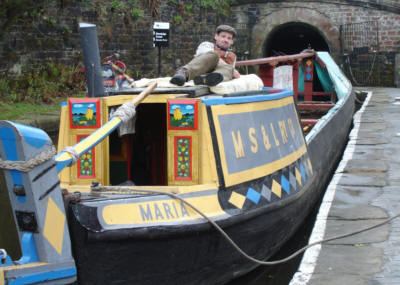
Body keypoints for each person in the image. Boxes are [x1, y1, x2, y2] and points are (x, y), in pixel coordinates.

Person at [170, 24, 240, 87]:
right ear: (216, 36)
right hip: (199, 72)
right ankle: (184, 73)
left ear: (232, 42)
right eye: (223, 36)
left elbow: (231, 74)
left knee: (228, 70)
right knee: (214, 55)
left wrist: (232, 71)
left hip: (212, 76)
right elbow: (210, 57)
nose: (226, 40)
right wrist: (232, 70)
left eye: (229, 38)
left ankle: (208, 79)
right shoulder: (206, 45)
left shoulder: (232, 56)